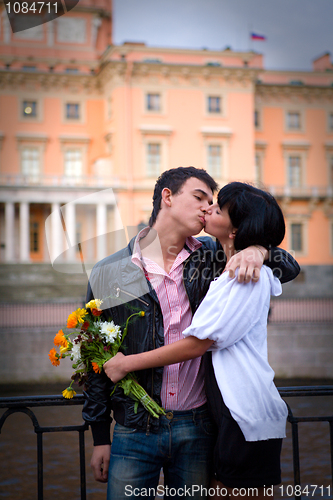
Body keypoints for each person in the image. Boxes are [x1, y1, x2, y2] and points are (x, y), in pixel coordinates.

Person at [83, 168, 299, 500]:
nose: (206, 208)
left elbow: (287, 265)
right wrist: (100, 436)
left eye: (213, 203)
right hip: (134, 427)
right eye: (199, 197)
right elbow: (93, 352)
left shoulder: (213, 256)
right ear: (167, 197)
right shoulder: (111, 270)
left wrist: (258, 250)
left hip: (198, 426)